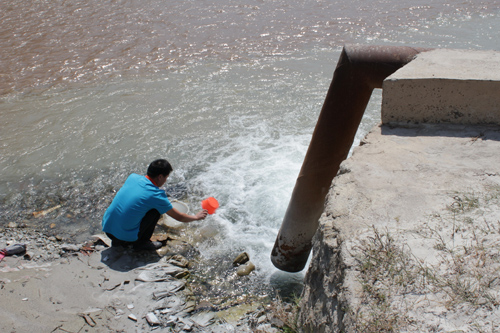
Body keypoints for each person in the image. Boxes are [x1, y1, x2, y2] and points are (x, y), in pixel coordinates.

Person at [102, 159, 208, 251]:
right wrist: (196, 217)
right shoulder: (156, 195)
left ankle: (121, 239)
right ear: (160, 177)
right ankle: (140, 244)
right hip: (123, 238)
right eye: (166, 177)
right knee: (156, 210)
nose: (166, 181)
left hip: (108, 230)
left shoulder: (132, 177)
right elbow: (179, 217)